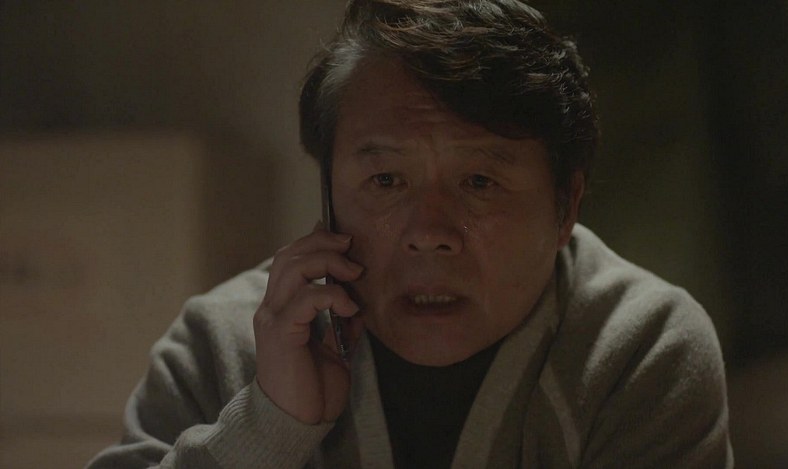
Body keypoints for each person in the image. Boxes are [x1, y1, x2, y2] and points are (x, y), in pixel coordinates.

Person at [87, 0, 732, 467]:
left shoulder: (639, 349)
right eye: (386, 181)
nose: (429, 233)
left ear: (566, 207)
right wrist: (268, 424)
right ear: (328, 198)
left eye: (479, 181)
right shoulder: (221, 345)